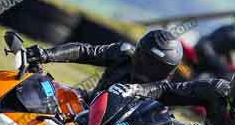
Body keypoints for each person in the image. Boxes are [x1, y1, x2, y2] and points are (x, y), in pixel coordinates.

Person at [24, 29, 183, 101]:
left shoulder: (164, 93)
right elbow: (84, 51)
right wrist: (47, 54)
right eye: (146, 60)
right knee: (40, 92)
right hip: (87, 106)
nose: (147, 68)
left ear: (168, 70)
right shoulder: (123, 53)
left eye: (155, 66)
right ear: (139, 52)